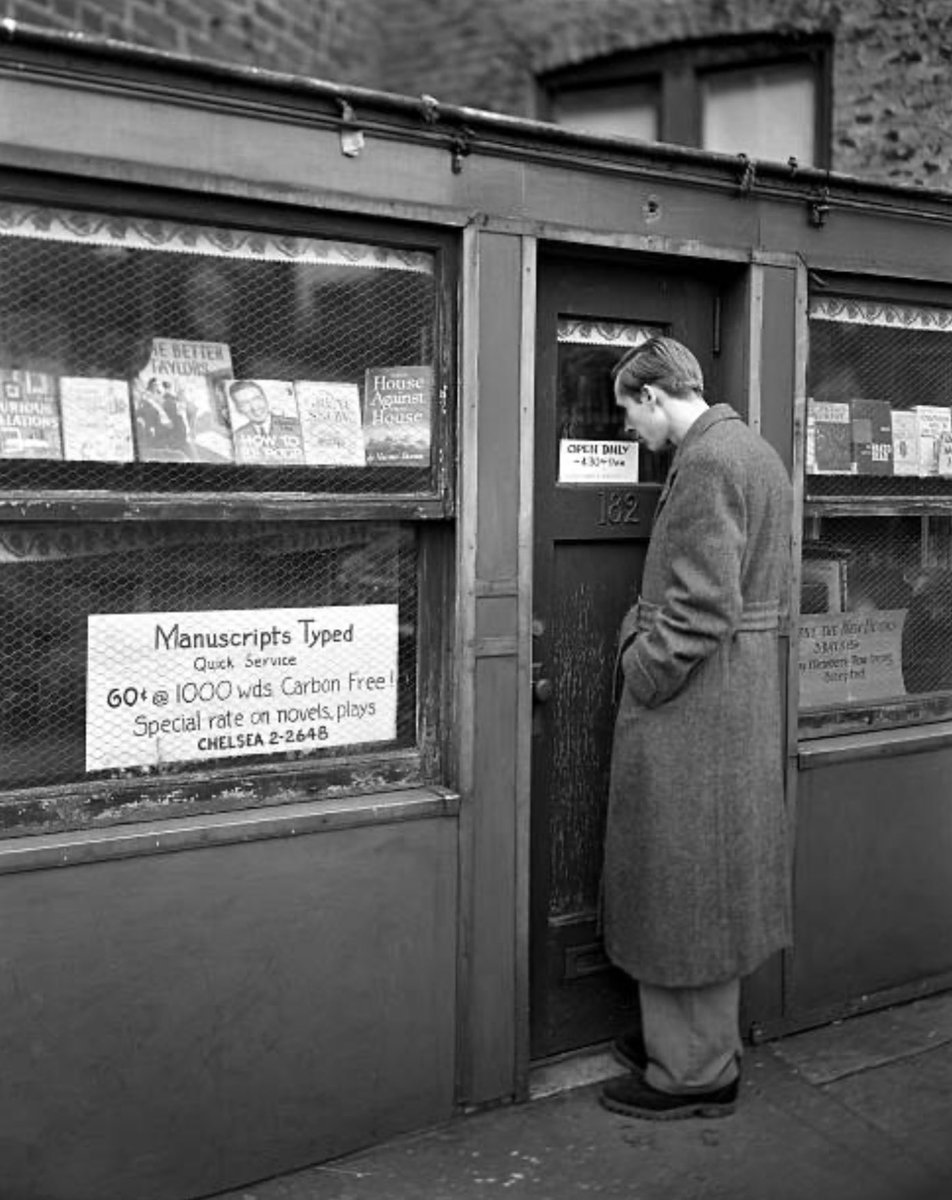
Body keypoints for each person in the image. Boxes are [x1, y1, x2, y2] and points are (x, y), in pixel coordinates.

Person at [599, 336, 793, 1121]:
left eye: (626, 410)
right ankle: (681, 1043)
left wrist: (641, 668)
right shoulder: (749, 450)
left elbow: (704, 608)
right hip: (730, 706)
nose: (626, 432)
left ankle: (693, 1073)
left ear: (654, 396)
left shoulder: (709, 463)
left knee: (685, 883)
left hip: (695, 708)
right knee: (707, 881)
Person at [228, 380, 304, 465]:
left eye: (257, 399)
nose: (254, 407)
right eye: (244, 403)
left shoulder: (298, 427)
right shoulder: (237, 437)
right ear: (238, 409)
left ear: (265, 399)